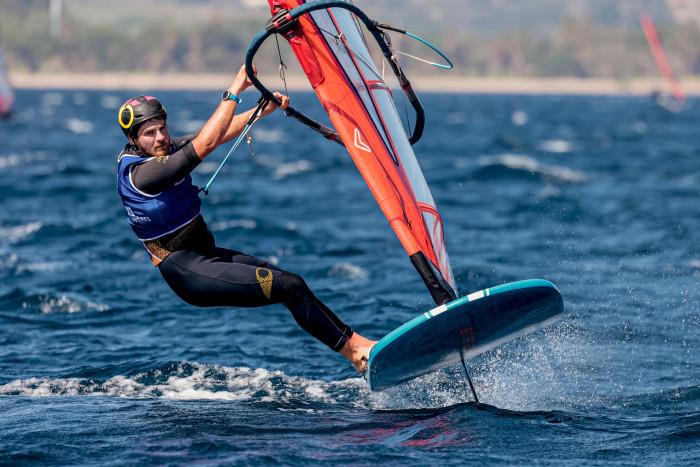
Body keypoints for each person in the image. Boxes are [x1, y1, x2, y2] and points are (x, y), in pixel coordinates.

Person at [116, 65, 376, 372]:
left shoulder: (160, 153)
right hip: (188, 271)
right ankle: (357, 353)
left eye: (162, 128)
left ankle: (360, 345)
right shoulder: (144, 173)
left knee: (291, 283)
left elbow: (211, 134)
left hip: (205, 255)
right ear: (133, 138)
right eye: (150, 133)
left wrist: (259, 112)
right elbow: (206, 144)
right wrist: (236, 88)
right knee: (289, 286)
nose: (160, 137)